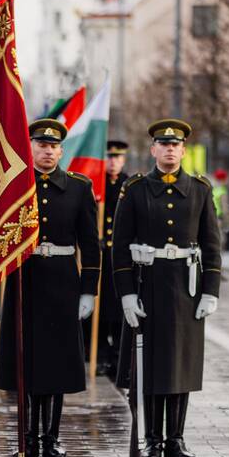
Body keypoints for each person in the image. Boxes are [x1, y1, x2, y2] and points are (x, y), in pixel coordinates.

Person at [113, 118, 222, 457]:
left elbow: (212, 244)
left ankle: (175, 440)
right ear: (153, 149)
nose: (170, 149)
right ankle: (151, 439)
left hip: (186, 289)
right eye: (164, 144)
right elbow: (120, 246)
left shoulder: (201, 190)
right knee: (150, 368)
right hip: (149, 285)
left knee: (181, 367)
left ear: (184, 150)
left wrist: (211, 290)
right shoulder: (136, 189)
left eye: (176, 145)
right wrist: (127, 294)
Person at [0, 119, 101, 457]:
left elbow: (91, 243)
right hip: (25, 278)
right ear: (32, 148)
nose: (48, 151)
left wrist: (89, 290)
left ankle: (51, 436)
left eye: (54, 146)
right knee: (26, 361)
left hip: (61, 281)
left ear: (61, 150)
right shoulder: (18, 187)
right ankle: (26, 435)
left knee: (56, 364)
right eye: (41, 145)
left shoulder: (78, 188)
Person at [94, 139, 129, 379]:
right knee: (100, 308)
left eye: (117, 157)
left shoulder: (130, 185)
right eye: (109, 157)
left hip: (119, 257)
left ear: (123, 160)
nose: (113, 161)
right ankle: (101, 355)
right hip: (100, 257)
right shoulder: (96, 184)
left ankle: (118, 356)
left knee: (118, 309)